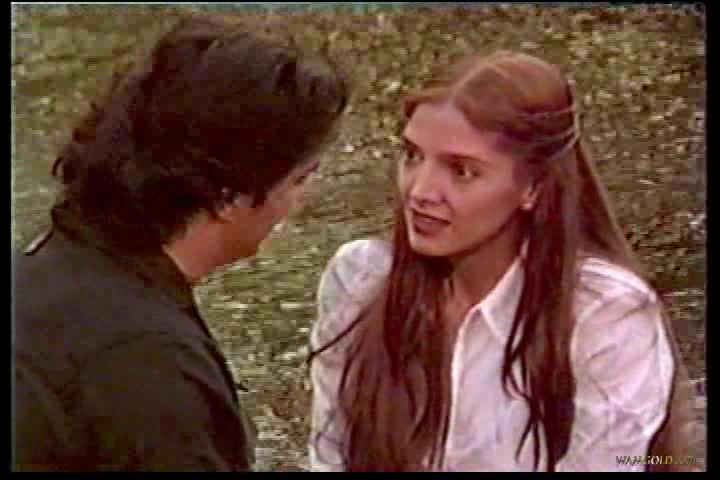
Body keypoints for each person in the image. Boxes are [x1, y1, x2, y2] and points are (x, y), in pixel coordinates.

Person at [308, 51, 697, 472]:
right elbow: (331, 454)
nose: (420, 191)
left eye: (461, 171)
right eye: (413, 156)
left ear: (534, 187)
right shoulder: (360, 280)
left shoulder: (603, 315)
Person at [13, 13, 348, 472]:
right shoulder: (152, 370)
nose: (300, 201)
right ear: (230, 195)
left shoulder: (45, 267)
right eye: (299, 180)